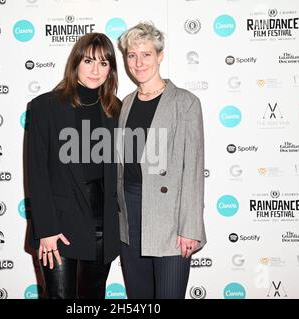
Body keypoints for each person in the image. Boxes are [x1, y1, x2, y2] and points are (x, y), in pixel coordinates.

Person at [116, 22, 206, 299]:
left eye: (146, 54)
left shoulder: (185, 102)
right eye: (132, 55)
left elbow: (192, 168)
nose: (138, 62)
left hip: (169, 218)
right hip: (130, 216)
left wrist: (189, 228)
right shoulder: (126, 103)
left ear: (160, 55)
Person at [28, 33, 121, 299]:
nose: (96, 70)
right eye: (89, 61)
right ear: (75, 63)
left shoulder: (115, 109)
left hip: (103, 220)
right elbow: (37, 172)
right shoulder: (46, 106)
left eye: (104, 63)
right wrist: (46, 229)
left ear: (111, 70)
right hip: (59, 222)